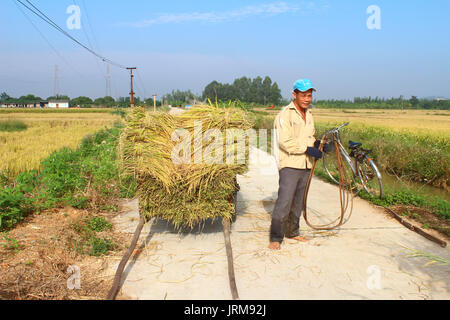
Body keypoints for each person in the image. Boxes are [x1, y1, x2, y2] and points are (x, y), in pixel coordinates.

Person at [268, 79, 323, 250]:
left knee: (298, 201)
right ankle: (276, 237)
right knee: (285, 201)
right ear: (294, 95)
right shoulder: (285, 114)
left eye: (309, 95)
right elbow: (285, 142)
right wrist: (307, 149)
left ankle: (292, 231)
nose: (307, 99)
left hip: (305, 165)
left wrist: (318, 145)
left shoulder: (309, 115)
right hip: (290, 164)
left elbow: (309, 137)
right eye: (304, 95)